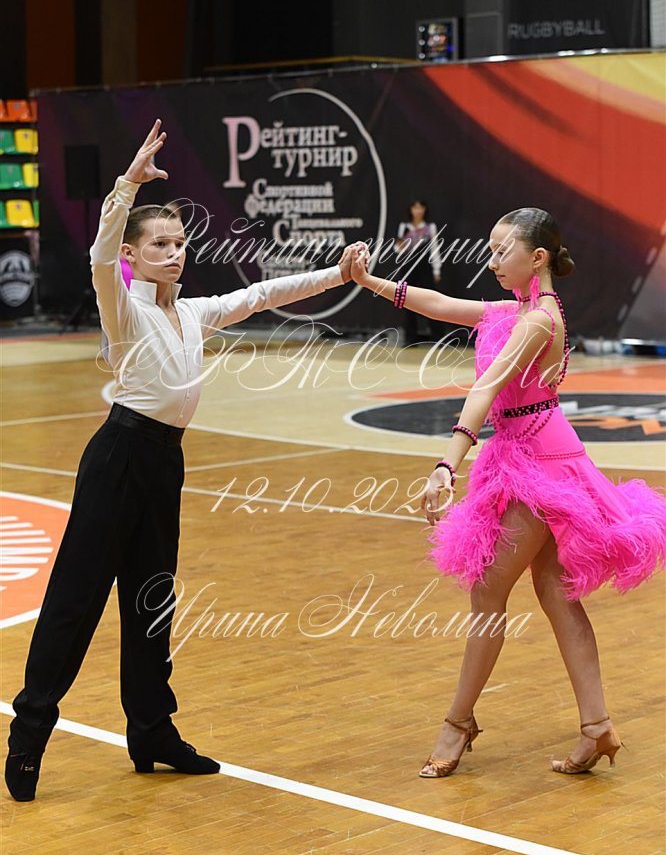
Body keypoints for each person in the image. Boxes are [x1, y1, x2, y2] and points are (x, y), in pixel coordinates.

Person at [5, 119, 361, 801]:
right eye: (159, 245)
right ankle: (30, 731)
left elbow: (261, 295)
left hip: (164, 464)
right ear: (134, 255)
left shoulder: (192, 313)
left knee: (152, 601)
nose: (173, 253)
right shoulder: (123, 309)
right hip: (117, 458)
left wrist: (337, 273)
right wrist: (126, 185)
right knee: (76, 600)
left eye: (179, 243)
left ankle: (151, 732)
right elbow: (100, 256)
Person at [349, 208, 666, 779]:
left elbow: (487, 387)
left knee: (488, 593)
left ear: (536, 258)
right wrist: (370, 281)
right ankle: (596, 727)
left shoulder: (538, 321)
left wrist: (447, 463)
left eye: (502, 251)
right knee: (554, 592)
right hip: (531, 452)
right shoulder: (515, 311)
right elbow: (440, 305)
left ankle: (458, 722)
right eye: (490, 250)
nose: (492, 260)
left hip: (537, 465)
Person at [395, 199, 441, 345]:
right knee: (407, 301)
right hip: (408, 267)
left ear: (425, 210)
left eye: (421, 207)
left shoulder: (430, 228)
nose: (418, 211)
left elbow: (434, 249)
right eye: (415, 207)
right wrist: (400, 245)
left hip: (424, 266)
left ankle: (438, 337)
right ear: (410, 210)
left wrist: (436, 269)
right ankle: (410, 338)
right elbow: (397, 249)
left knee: (431, 300)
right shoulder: (404, 227)